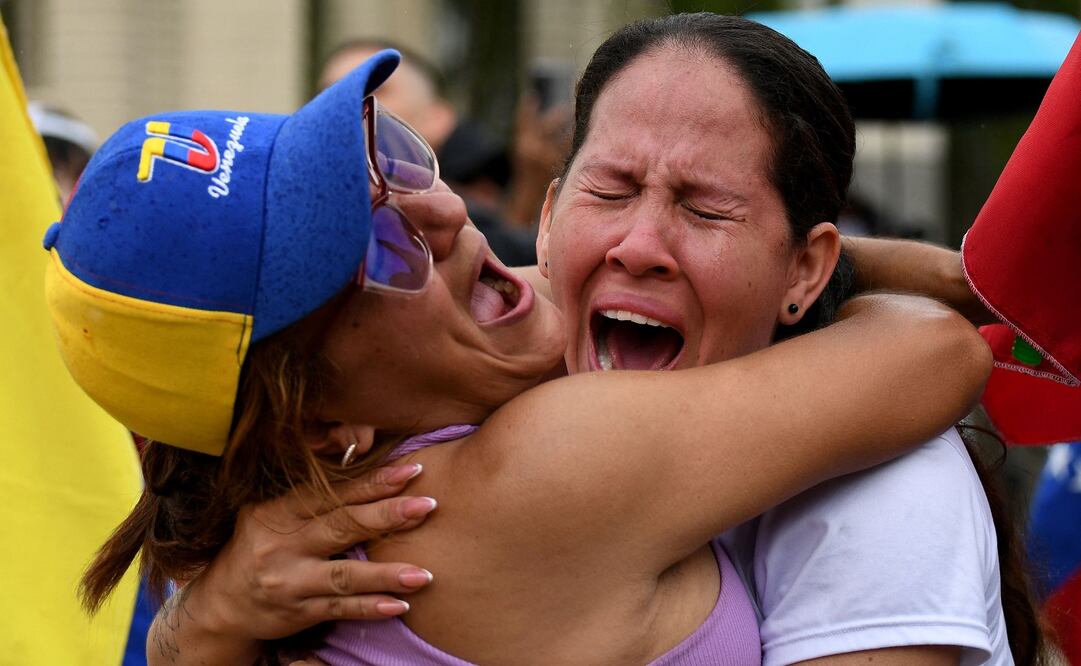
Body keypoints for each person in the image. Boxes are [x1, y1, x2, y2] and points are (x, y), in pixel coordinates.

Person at [49, 34, 992, 666]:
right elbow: (935, 353)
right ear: (322, 415)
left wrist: (189, 632)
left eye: (391, 165)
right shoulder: (532, 471)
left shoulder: (349, 487)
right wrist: (787, 258)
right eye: (376, 249)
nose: (449, 212)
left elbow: (576, 273)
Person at [320, 39, 538, 266]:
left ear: (437, 118)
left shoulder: (462, 219)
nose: (343, 105)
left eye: (373, 89)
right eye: (329, 95)